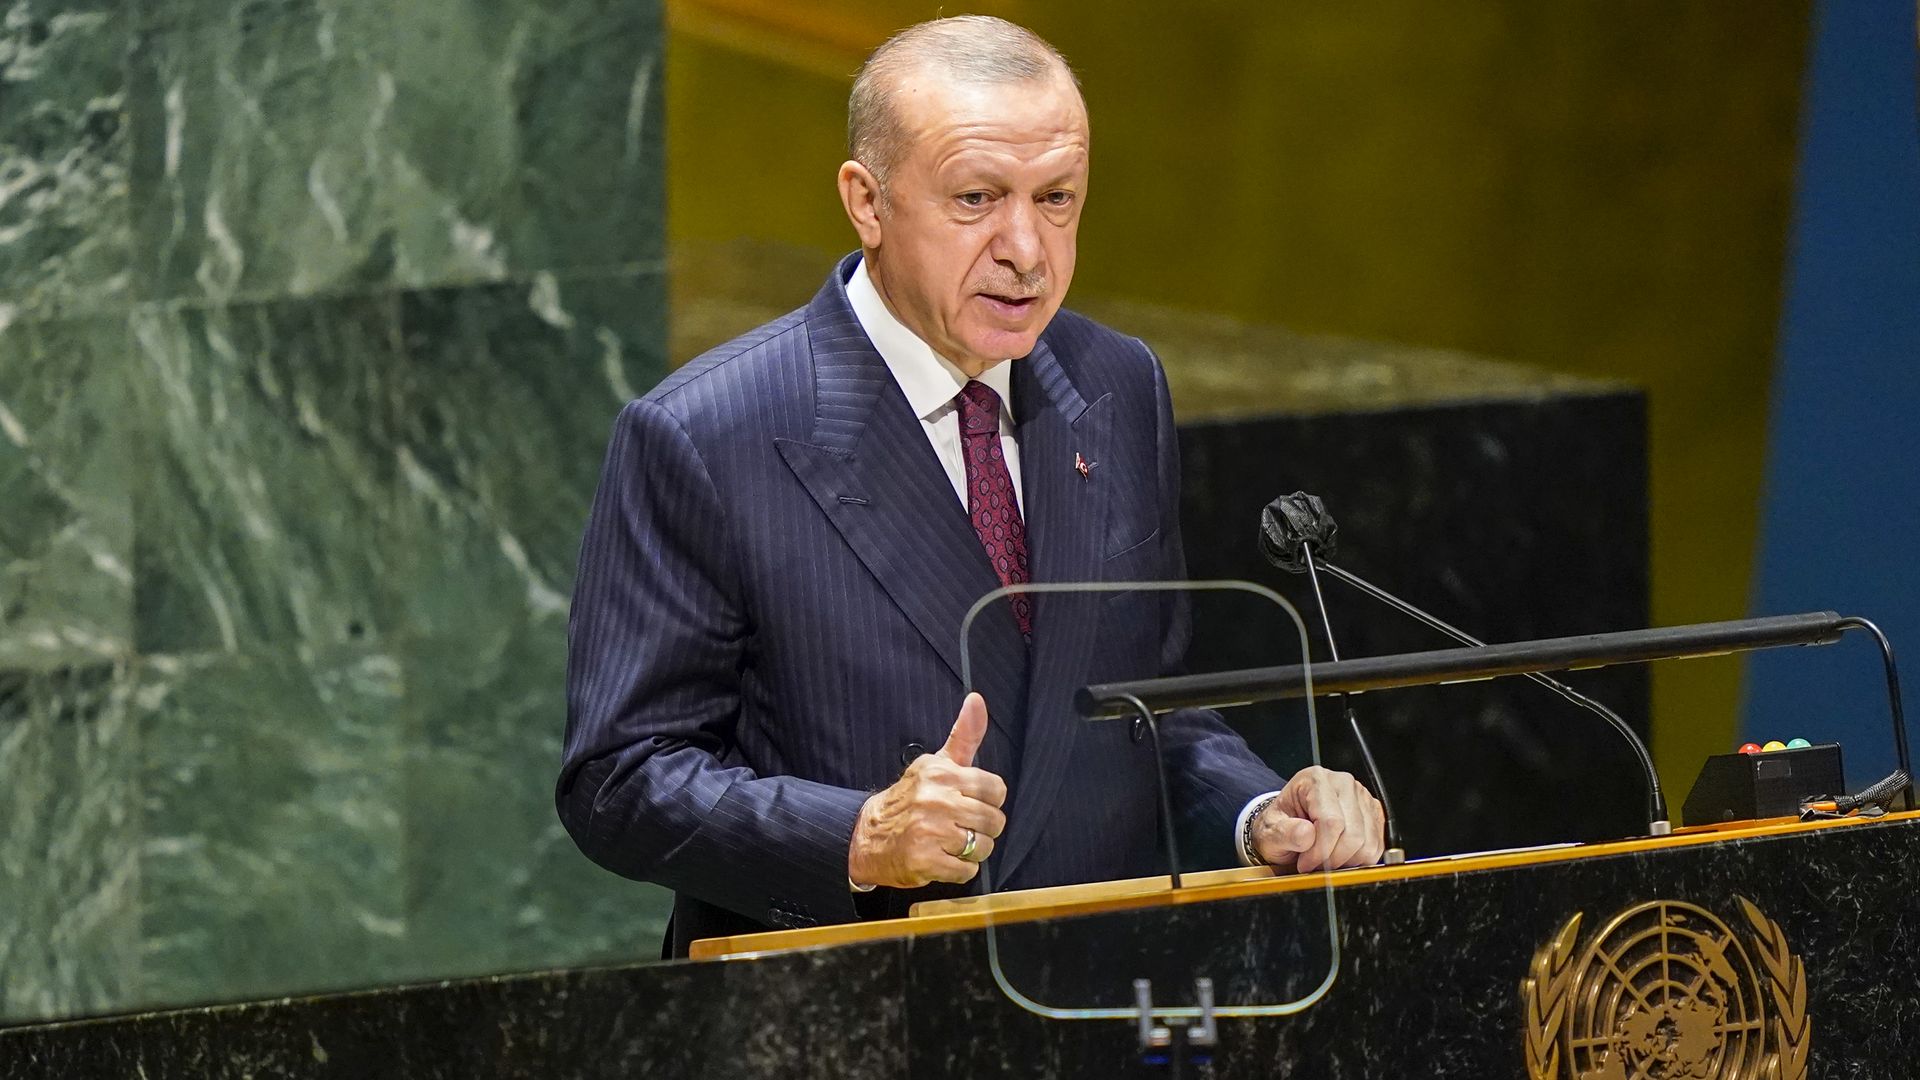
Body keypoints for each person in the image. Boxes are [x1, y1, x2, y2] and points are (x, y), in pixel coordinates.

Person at [559, 15, 1385, 958]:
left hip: (1092, 1004)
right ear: (867, 203)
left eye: (1058, 198)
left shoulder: (1116, 386)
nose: (1027, 249)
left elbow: (1143, 707)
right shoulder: (707, 434)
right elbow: (619, 780)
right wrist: (860, 838)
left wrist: (1256, 812)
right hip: (850, 1009)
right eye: (977, 198)